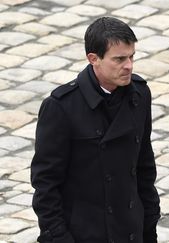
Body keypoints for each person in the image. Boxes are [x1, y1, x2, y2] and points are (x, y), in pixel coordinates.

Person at [31, 17, 160, 243]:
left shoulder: (140, 95)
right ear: (94, 59)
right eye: (119, 59)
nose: (128, 65)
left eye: (131, 57)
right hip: (83, 233)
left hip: (130, 231)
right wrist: (59, 238)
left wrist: (149, 225)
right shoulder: (61, 107)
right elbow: (46, 185)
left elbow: (144, 167)